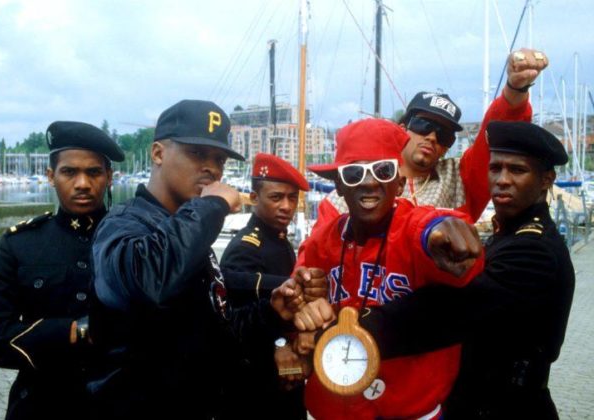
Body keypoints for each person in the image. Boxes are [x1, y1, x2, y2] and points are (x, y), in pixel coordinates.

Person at [294, 121, 574, 419]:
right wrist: (298, 309)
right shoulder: (507, 232)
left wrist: (335, 330)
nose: (502, 180)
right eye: (495, 169)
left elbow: (442, 308)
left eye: (517, 170)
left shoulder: (536, 249)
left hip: (506, 405)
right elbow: (299, 285)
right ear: (339, 185)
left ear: (546, 180)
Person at [88, 99, 303, 419]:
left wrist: (271, 312)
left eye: (219, 159)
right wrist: (211, 205)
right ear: (158, 153)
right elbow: (149, 281)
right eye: (197, 153)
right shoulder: (123, 225)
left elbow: (216, 331)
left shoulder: (189, 233)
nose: (212, 168)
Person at [282, 117, 484, 420]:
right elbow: (295, 296)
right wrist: (292, 327)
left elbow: (429, 227)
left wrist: (442, 232)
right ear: (339, 185)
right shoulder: (322, 241)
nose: (369, 182)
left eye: (383, 171)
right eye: (354, 174)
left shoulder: (413, 229)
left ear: (399, 183)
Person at [0, 121, 125, 420]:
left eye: (93, 172)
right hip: (41, 406)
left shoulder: (133, 241)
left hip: (119, 405)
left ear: (109, 177)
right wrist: (71, 332)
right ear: (51, 176)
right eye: (69, 172)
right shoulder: (20, 245)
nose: (82, 183)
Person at [312, 48, 548, 231]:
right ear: (402, 129)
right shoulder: (356, 186)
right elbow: (317, 255)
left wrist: (515, 90)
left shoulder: (459, 179)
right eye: (423, 126)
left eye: (444, 134)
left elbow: (496, 137)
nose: (432, 137)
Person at [220, 152, 310, 419]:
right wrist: (279, 343)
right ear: (254, 197)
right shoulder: (246, 247)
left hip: (285, 374)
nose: (286, 206)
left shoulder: (279, 240)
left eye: (292, 198)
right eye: (276, 197)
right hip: (257, 378)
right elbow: (235, 320)